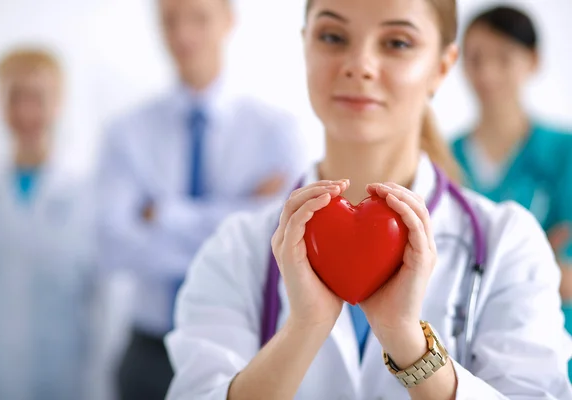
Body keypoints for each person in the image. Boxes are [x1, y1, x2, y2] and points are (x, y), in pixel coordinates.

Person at [165, 0, 572, 398]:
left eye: (397, 43)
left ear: (442, 66)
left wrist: (407, 340)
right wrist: (303, 329)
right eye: (332, 36)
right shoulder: (235, 248)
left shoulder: (509, 243)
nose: (359, 64)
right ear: (306, 47)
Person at [96, 0, 306, 398]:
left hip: (247, 348)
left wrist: (164, 214)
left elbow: (276, 243)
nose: (182, 35)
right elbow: (114, 247)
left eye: (198, 18)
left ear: (229, 21)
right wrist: (239, 211)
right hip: (149, 352)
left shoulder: (276, 131)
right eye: (169, 20)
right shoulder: (126, 133)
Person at [451, 5, 572, 380]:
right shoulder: (443, 160)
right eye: (475, 59)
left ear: (532, 61)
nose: (486, 73)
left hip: (553, 345)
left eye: (503, 58)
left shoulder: (564, 152)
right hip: (463, 352)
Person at [0, 49, 96, 400]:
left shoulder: (86, 193)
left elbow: (105, 302)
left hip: (67, 374)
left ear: (58, 103)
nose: (26, 112)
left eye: (37, 98)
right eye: (14, 97)